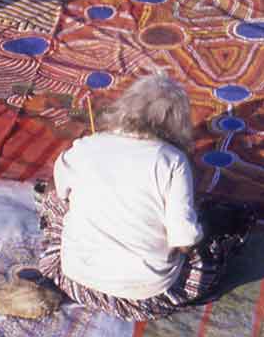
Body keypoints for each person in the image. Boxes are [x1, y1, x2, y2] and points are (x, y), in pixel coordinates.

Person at [37, 74, 252, 321]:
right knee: (220, 224)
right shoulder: (172, 161)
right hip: (146, 298)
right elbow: (184, 239)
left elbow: (58, 190)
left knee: (53, 199)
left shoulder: (87, 145)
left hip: (74, 280)